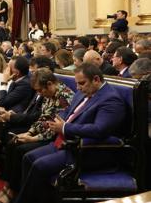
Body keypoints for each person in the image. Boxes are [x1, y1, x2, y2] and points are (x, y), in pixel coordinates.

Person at [14, 63, 130, 203]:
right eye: (77, 83)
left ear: (96, 80)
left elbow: (100, 130)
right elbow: (68, 113)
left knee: (39, 165)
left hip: (88, 150)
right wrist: (56, 121)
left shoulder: (111, 99)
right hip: (66, 142)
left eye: (82, 83)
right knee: (28, 157)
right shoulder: (85, 92)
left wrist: (64, 128)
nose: (78, 88)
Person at [0, 69, 75, 202]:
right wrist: (29, 132)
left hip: (55, 137)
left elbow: (53, 128)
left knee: (22, 149)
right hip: (44, 133)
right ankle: (10, 187)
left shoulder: (64, 98)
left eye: (40, 90)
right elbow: (42, 118)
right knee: (14, 142)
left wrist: (32, 138)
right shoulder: (49, 94)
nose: (39, 94)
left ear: (50, 84)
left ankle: (16, 191)